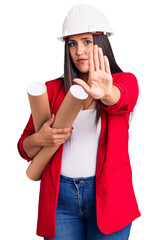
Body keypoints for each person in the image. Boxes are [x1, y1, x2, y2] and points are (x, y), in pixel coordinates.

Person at [17, 4, 141, 240]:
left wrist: (106, 93)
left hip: (109, 197)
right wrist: (39, 139)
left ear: (101, 43)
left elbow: (123, 99)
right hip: (60, 201)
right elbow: (24, 146)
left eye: (86, 41)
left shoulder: (125, 82)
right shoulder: (52, 89)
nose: (79, 51)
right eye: (72, 43)